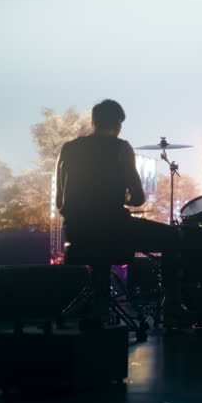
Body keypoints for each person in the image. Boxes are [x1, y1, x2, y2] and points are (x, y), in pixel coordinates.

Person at [56, 99, 187, 325]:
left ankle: (99, 304)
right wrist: (123, 196)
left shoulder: (69, 148)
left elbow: (61, 201)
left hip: (78, 232)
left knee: (99, 248)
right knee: (173, 237)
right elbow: (138, 198)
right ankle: (172, 307)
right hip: (113, 228)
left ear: (94, 121)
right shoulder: (120, 147)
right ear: (118, 123)